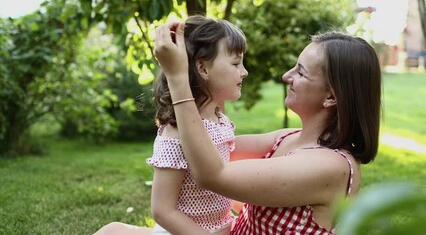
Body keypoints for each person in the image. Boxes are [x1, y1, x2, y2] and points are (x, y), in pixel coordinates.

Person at [153, 20, 382, 234]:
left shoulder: (329, 166)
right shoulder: (290, 138)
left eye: (300, 72)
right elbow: (206, 148)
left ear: (331, 96)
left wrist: (178, 79)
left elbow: (212, 174)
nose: (286, 76)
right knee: (115, 229)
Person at [93, 14, 248, 235]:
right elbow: (162, 211)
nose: (244, 71)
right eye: (235, 63)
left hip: (221, 227)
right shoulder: (174, 133)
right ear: (203, 69)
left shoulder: (220, 120)